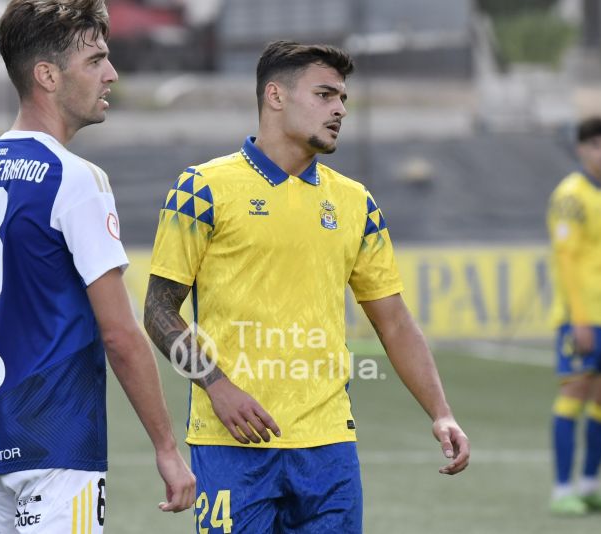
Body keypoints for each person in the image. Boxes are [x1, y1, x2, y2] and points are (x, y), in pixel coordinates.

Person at [143, 40, 469, 533]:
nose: (339, 109)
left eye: (343, 99)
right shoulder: (202, 189)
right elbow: (158, 312)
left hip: (329, 447)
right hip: (231, 444)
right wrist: (219, 387)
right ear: (275, 96)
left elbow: (395, 321)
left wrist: (441, 412)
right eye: (324, 94)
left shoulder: (356, 202)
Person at [0, 1, 194, 531]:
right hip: (59, 452)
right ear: (48, 75)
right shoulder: (75, 179)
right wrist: (166, 448)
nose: (111, 74)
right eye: (95, 60)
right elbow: (120, 333)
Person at [546, 117, 601, 515]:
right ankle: (563, 490)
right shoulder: (570, 195)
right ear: (581, 149)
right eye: (597, 145)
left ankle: (591, 483)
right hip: (582, 316)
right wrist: (579, 317)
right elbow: (568, 260)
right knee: (574, 396)